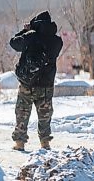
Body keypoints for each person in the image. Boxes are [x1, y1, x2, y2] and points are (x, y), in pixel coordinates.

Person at [9, 11, 63, 151]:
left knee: (22, 113)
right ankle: (45, 143)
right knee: (45, 116)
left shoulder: (30, 36)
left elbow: (13, 43)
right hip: (46, 85)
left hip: (27, 83)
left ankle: (19, 143)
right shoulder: (57, 41)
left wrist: (25, 30)